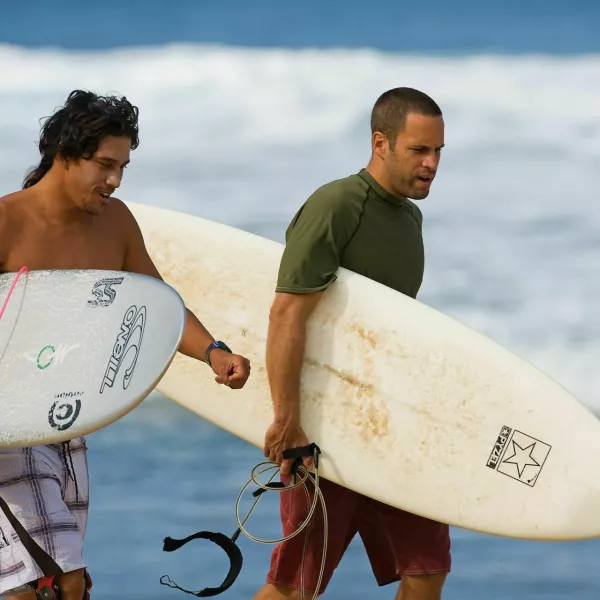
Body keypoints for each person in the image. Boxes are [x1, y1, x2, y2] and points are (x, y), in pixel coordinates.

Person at [0, 89, 251, 600]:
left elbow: (155, 305)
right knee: (56, 579)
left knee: (41, 585)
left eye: (124, 167)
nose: (115, 180)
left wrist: (212, 351)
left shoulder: (115, 223)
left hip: (66, 420)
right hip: (6, 422)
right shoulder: (8, 221)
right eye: (106, 165)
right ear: (65, 155)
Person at [255, 87, 448, 600]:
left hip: (386, 425)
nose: (431, 164)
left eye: (438, 153)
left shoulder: (409, 217)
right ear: (380, 143)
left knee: (426, 568)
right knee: (296, 585)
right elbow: (288, 311)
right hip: (325, 431)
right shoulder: (339, 204)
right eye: (419, 151)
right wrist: (288, 419)